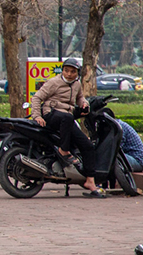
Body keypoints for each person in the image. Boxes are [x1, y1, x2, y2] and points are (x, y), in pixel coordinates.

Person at [30, 57, 103, 197]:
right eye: (66, 71)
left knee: (87, 146)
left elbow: (80, 97)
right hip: (51, 114)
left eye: (73, 72)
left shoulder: (77, 84)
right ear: (62, 71)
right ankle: (63, 150)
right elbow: (37, 97)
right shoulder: (54, 82)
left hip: (67, 118)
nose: (69, 74)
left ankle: (90, 181)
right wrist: (37, 116)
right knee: (67, 117)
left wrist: (84, 104)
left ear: (77, 73)